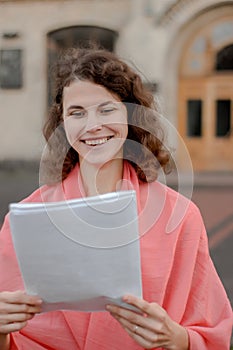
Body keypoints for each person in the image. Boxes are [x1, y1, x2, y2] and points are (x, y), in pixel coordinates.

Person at [0, 46, 232, 350]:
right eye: (76, 112)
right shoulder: (26, 218)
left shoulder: (180, 216)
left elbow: (210, 331)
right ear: (62, 122)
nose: (92, 125)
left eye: (106, 109)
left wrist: (178, 338)